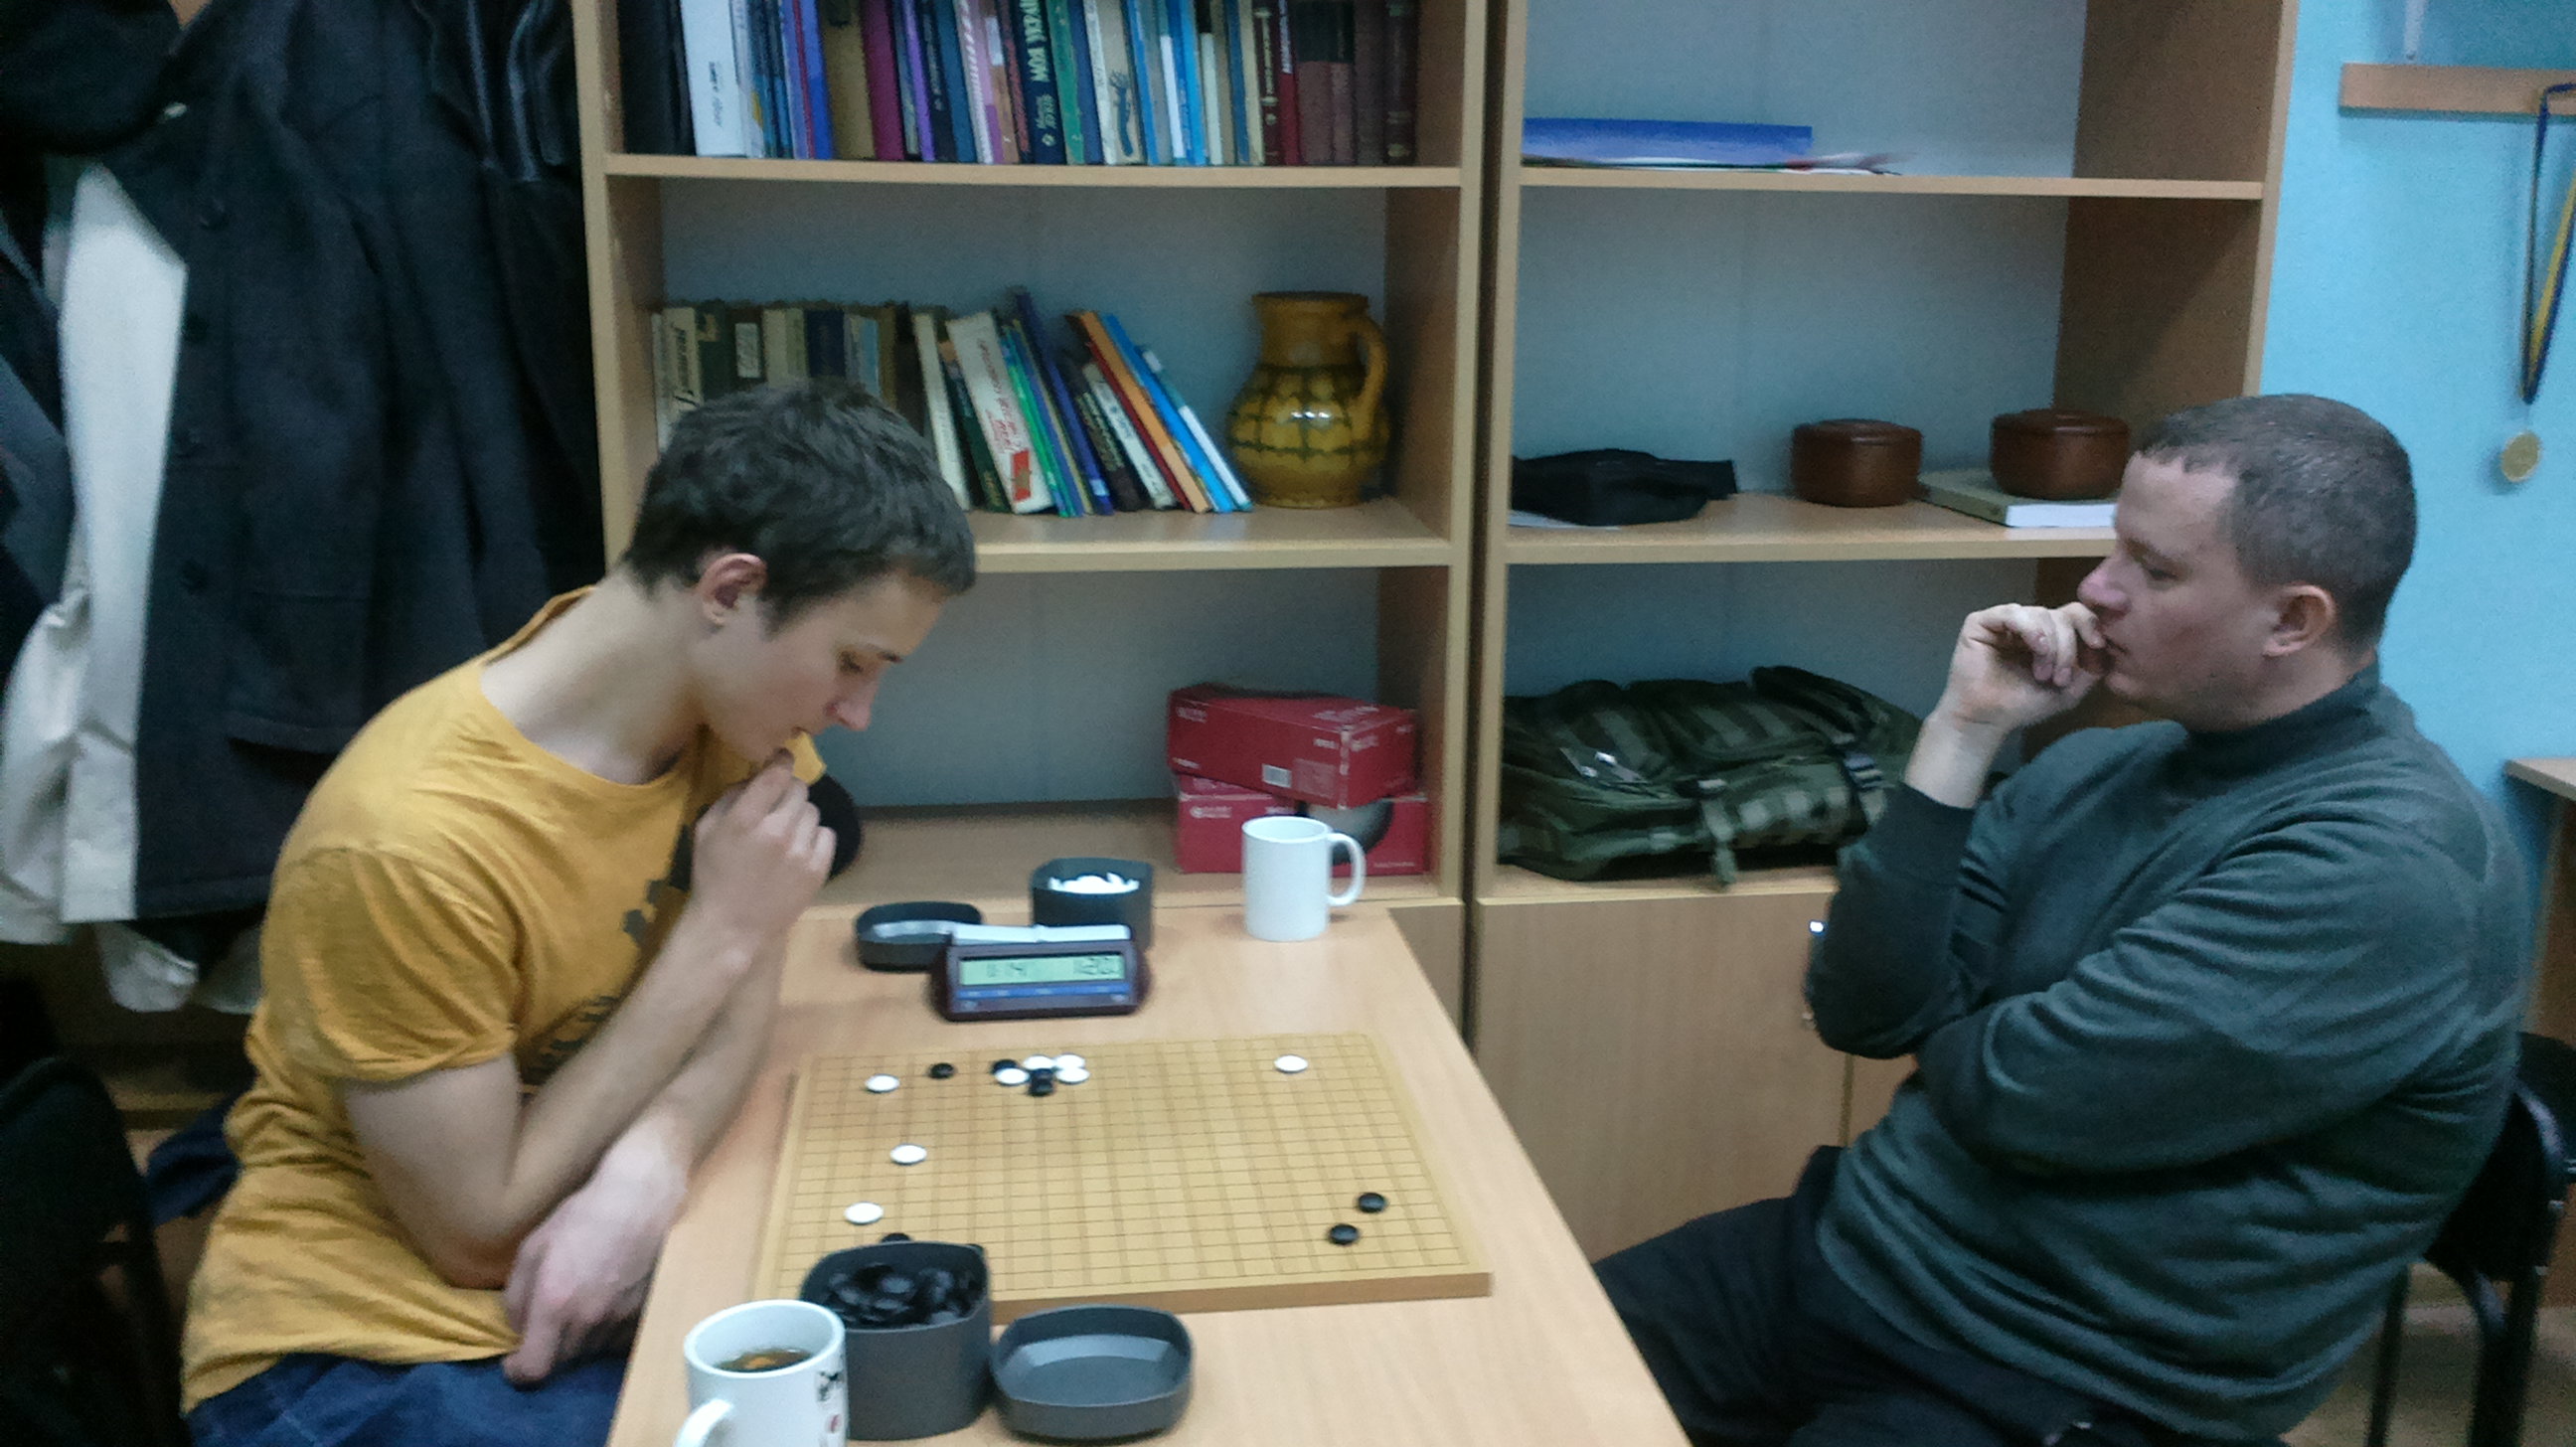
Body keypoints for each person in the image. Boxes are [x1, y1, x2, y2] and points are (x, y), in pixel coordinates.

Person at [1597, 394, 2530, 1446]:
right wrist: (1963, 733)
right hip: (1856, 1252)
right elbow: (1863, 1008)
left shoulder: (2390, 866)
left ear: (2293, 621)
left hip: (2063, 1373)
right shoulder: (2103, 763)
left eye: (2155, 570)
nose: (2095, 588)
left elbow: (2019, 1099)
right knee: (1491, 1372)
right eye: (2114, 545)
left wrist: (1953, 1029)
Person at [180, 379, 976, 1447]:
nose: (857, 712)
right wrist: (719, 931)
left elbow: (747, 997)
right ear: (732, 589)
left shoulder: (730, 718)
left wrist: (658, 1153)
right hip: (365, 1354)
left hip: (592, 1272)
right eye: (852, 661)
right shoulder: (405, 845)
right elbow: (477, 1233)